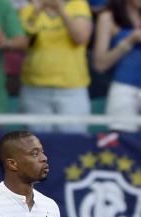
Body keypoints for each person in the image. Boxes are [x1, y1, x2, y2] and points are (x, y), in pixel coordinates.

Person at [93, 0, 141, 131]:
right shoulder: (108, 17)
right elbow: (100, 64)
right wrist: (130, 40)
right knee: (124, 145)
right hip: (123, 89)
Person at [18, 0, 93, 133]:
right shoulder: (29, 8)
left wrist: (61, 10)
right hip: (35, 90)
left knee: (73, 144)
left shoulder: (78, 5)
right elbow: (21, 43)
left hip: (72, 90)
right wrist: (36, 11)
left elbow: (80, 38)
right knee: (35, 147)